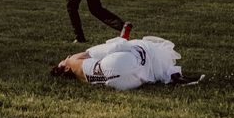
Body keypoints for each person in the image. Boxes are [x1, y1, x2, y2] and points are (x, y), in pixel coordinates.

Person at [50, 35, 205, 90]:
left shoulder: (79, 77)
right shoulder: (72, 60)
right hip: (116, 64)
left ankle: (169, 76)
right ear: (64, 67)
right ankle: (172, 75)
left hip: (121, 83)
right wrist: (125, 42)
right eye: (61, 61)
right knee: (143, 47)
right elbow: (112, 47)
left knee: (142, 66)